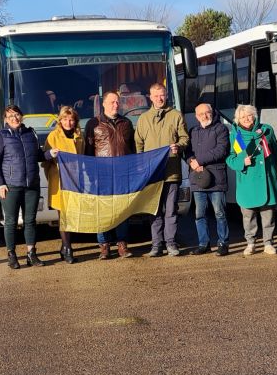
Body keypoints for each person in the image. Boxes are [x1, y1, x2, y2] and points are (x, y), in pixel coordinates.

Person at [136, 82, 190, 257]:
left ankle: (171, 244)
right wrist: (142, 166)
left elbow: (184, 138)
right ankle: (156, 245)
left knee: (171, 210)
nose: (159, 98)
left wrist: (179, 146)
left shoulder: (176, 116)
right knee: (154, 211)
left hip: (172, 172)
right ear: (150, 97)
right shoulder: (143, 119)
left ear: (166, 96)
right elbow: (139, 145)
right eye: (156, 95)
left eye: (162, 95)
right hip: (152, 174)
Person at [0, 105, 44, 270]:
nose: (14, 118)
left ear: (22, 116)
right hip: (11, 186)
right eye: (10, 116)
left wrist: (51, 154)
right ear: (5, 119)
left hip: (32, 185)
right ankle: (11, 255)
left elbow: (39, 156)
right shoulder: (1, 136)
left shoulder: (31, 134)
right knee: (11, 222)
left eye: (17, 114)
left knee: (30, 221)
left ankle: (31, 254)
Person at [84, 90, 135, 259]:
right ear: (103, 104)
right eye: (112, 102)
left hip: (122, 175)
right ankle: (104, 246)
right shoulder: (93, 123)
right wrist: (92, 176)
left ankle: (122, 244)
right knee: (102, 211)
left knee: (122, 210)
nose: (116, 105)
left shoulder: (126, 123)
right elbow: (88, 153)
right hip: (102, 175)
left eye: (118, 102)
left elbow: (133, 150)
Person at [226, 104, 277, 256]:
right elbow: (231, 159)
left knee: (268, 215)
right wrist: (242, 162)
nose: (246, 119)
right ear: (238, 119)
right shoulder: (236, 135)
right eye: (242, 117)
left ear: (254, 116)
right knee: (248, 216)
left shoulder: (266, 130)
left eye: (249, 115)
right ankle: (250, 243)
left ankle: (268, 243)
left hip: (267, 179)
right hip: (247, 182)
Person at [43, 105, 86, 264]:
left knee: (72, 215)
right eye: (66, 119)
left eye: (72, 120)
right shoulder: (53, 136)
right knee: (64, 215)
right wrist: (51, 155)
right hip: (60, 180)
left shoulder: (79, 136)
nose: (69, 123)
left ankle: (63, 247)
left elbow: (82, 158)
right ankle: (68, 248)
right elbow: (44, 158)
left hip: (75, 180)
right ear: (60, 121)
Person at [187, 102, 232, 255]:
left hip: (217, 178)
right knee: (199, 214)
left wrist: (199, 161)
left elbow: (221, 151)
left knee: (219, 213)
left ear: (212, 113)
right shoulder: (193, 131)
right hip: (198, 178)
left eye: (207, 113)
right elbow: (187, 151)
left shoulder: (221, 129)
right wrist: (191, 162)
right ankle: (203, 244)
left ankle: (223, 243)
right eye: (201, 114)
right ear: (196, 116)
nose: (204, 116)